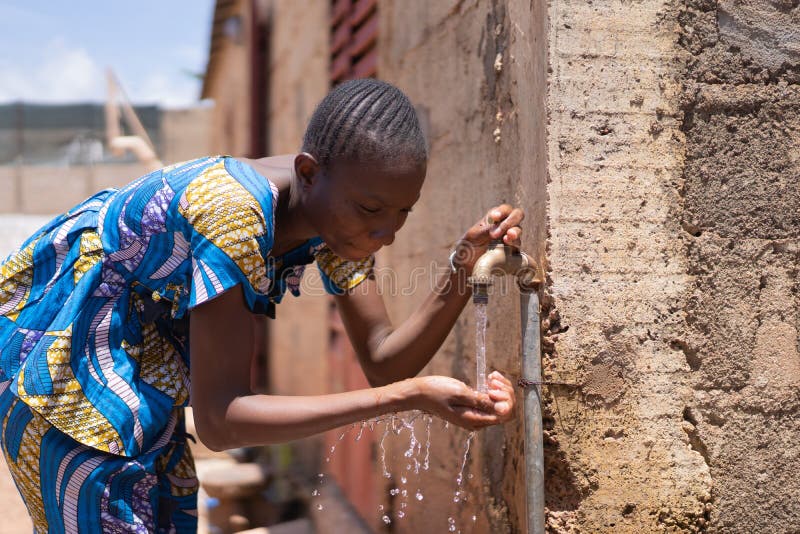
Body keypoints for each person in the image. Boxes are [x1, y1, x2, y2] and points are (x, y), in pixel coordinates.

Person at [0, 79, 523, 533]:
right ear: (309, 172)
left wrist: (463, 265)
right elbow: (222, 421)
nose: (386, 233)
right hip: (61, 366)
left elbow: (385, 358)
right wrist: (404, 398)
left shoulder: (330, 223)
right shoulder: (233, 213)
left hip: (140, 371)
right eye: (371, 210)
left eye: (402, 212)